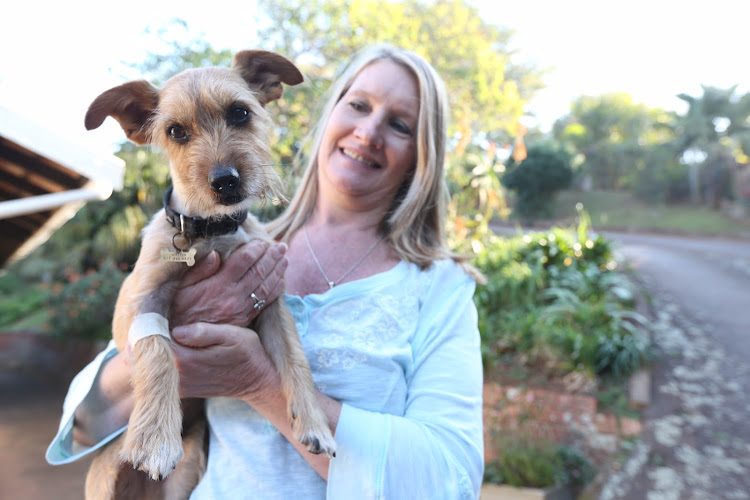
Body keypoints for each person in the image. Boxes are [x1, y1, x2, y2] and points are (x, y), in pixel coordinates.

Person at [47, 44, 485, 499]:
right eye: (358, 106)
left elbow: (452, 481)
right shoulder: (223, 242)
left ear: (424, 150)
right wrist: (167, 341)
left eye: (399, 124)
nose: (368, 132)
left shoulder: (440, 287)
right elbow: (82, 425)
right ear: (329, 115)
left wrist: (257, 381)